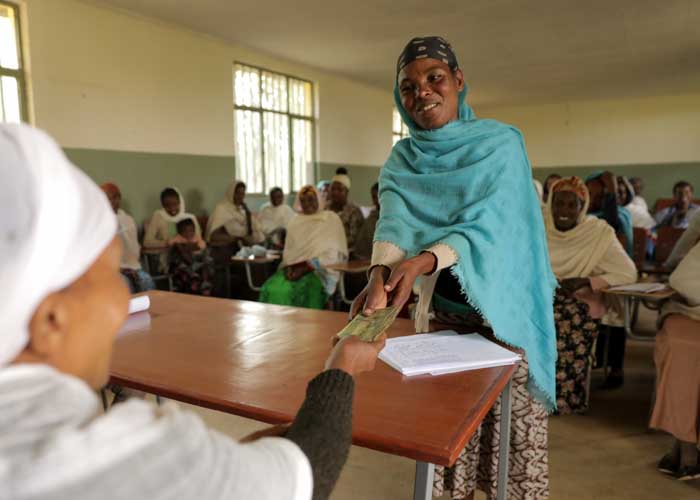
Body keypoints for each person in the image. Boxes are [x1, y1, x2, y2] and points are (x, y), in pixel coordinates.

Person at [0, 123, 385, 500]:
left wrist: (223, 466)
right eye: (111, 277)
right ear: (51, 319)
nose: (122, 305)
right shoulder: (118, 457)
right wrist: (342, 366)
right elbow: (306, 476)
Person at [352, 36, 557, 499]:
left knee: (512, 440)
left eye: (434, 78)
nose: (421, 92)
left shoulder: (501, 144)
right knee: (449, 437)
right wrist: (379, 277)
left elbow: (492, 222)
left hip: (507, 316)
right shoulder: (404, 158)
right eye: (408, 86)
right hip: (446, 318)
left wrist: (425, 259)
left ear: (459, 81)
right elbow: (395, 219)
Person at [545, 177, 637, 414]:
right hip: (542, 296)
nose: (563, 211)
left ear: (582, 207)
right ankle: (528, 397)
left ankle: (561, 399)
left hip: (579, 300)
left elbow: (628, 272)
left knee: (561, 323)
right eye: (558, 203)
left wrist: (586, 280)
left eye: (571, 205)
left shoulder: (598, 233)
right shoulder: (537, 227)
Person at [649, 240, 700, 480]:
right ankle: (685, 443)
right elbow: (681, 279)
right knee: (680, 347)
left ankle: (684, 446)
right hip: (691, 312)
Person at [260, 186, 348, 309]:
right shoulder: (295, 222)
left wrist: (308, 266)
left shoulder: (330, 219)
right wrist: (291, 267)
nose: (307, 204)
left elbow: (333, 254)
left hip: (319, 271)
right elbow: (289, 253)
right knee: (273, 289)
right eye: (303, 200)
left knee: (302, 291)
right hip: (293, 268)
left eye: (311, 199)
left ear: (318, 199)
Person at [100, 182, 155, 293]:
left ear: (118, 198)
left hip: (133, 266)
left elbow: (133, 249)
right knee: (125, 283)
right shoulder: (99, 221)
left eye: (113, 198)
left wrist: (130, 268)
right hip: (111, 269)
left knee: (146, 281)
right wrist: (122, 269)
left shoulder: (128, 219)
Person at [143, 187, 202, 273]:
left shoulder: (189, 217)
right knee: (185, 269)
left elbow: (198, 240)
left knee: (204, 266)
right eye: (167, 205)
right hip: (170, 259)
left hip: (193, 255)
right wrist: (169, 243)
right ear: (162, 205)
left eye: (175, 204)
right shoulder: (158, 216)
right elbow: (147, 242)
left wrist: (190, 245)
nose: (172, 208)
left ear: (180, 202)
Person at [585, 171, 633, 256]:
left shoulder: (621, 215)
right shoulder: (579, 215)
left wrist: (612, 191)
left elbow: (612, 222)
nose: (591, 200)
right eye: (589, 194)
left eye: (599, 197)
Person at [206, 180, 265, 248]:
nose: (240, 197)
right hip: (229, 245)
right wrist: (236, 238)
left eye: (242, 194)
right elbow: (214, 236)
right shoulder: (222, 208)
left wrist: (247, 212)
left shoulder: (242, 210)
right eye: (237, 193)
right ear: (231, 193)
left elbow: (253, 229)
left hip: (244, 243)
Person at [168, 218, 214, 296]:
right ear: (179, 232)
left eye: (191, 231)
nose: (188, 233)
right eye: (185, 231)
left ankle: (204, 289)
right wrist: (184, 246)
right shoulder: (178, 239)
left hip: (195, 262)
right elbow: (170, 243)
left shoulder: (196, 237)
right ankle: (196, 288)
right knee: (179, 250)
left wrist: (193, 246)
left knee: (206, 263)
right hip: (181, 264)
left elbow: (202, 245)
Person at [326, 173, 364, 257]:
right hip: (325, 250)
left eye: (340, 190)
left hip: (347, 253)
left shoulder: (354, 211)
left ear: (346, 192)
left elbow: (354, 238)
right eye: (332, 189)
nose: (335, 192)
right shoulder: (324, 208)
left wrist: (333, 244)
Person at [354, 182, 379, 260]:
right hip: (364, 259)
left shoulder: (392, 218)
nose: (376, 200)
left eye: (379, 196)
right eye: (374, 197)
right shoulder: (371, 218)